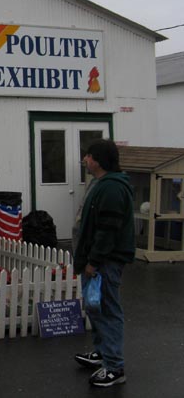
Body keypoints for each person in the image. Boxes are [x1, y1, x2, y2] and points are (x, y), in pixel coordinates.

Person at [73, 139, 135, 388]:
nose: (85, 160)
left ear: (97, 160)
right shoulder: (102, 184)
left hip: (105, 262)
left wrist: (94, 262)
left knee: (108, 310)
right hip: (98, 260)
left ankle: (115, 367)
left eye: (88, 156)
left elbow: (108, 230)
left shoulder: (111, 188)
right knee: (96, 307)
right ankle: (102, 353)